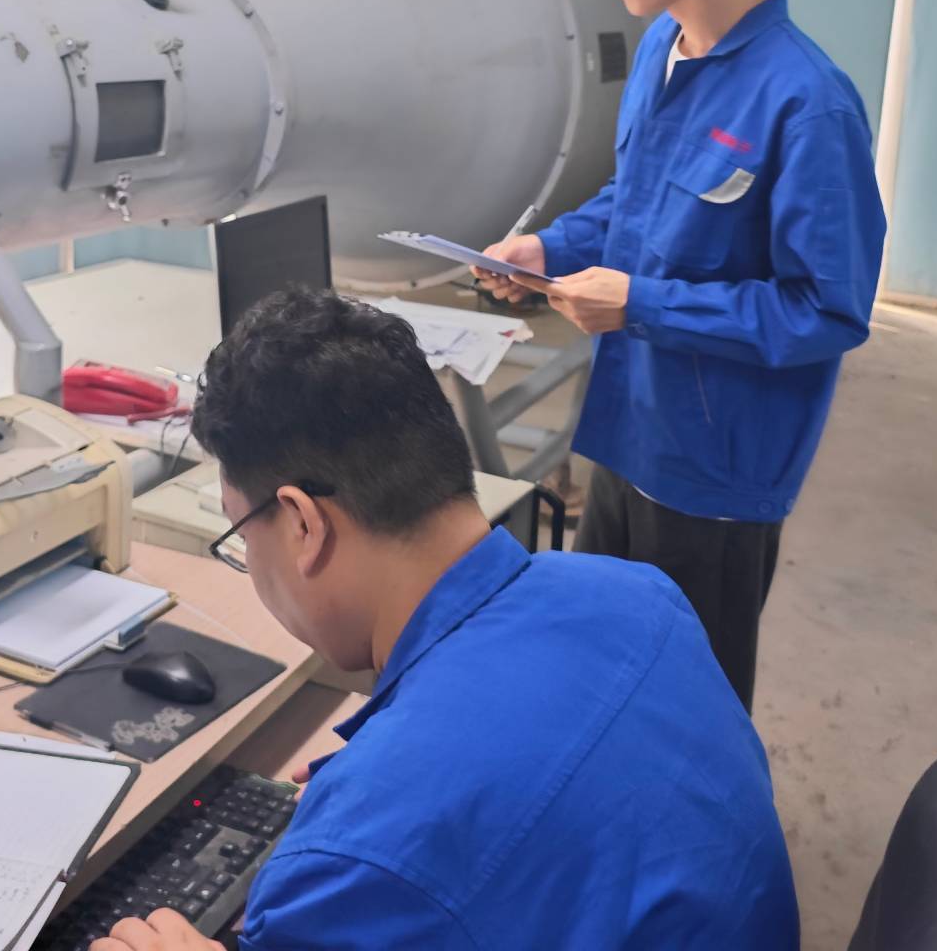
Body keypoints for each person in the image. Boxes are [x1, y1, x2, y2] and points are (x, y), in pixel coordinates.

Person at [91, 287, 798, 951]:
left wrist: (381, 813)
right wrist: (388, 782)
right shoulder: (640, 595)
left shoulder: (366, 860)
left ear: (304, 523)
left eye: (241, 534)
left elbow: (432, 837)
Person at [478, 0, 887, 709]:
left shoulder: (807, 104)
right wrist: (548, 246)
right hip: (626, 431)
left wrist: (641, 306)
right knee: (604, 681)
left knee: (686, 708)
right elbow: (636, 201)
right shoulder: (663, 47)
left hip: (715, 473)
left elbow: (827, 309)